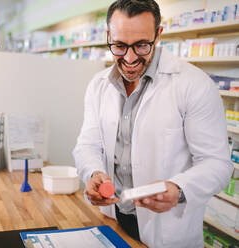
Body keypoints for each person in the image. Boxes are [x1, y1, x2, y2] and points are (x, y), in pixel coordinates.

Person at [73, 0, 233, 247]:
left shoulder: (194, 85)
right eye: (119, 45)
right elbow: (87, 144)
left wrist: (179, 189)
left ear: (158, 34)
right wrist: (93, 172)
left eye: (141, 45)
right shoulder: (98, 85)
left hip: (167, 232)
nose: (129, 57)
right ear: (108, 35)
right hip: (114, 219)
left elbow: (218, 163)